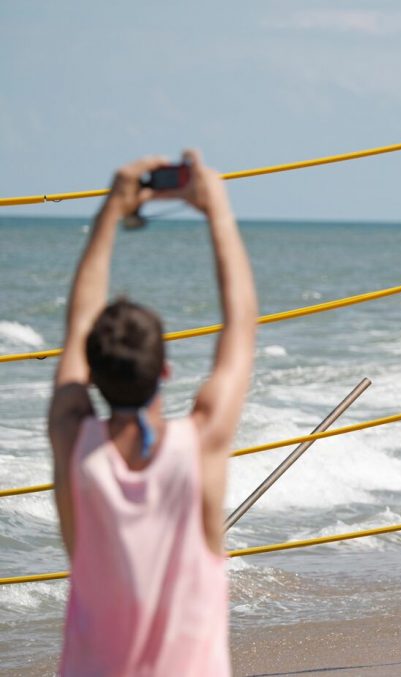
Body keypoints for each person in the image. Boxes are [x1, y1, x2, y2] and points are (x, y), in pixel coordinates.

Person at [47, 150, 258, 675]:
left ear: (90, 375)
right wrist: (218, 211)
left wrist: (109, 214)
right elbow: (242, 326)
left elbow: (76, 329)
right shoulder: (201, 442)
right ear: (166, 370)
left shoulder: (75, 444)